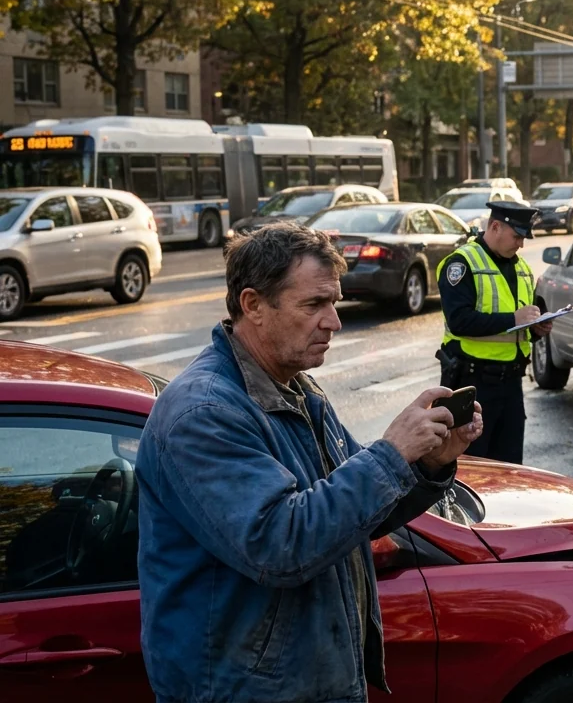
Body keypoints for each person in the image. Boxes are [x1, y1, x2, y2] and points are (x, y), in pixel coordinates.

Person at [137, 223, 485, 702]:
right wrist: (391, 454)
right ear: (253, 305)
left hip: (306, 684)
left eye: (333, 303)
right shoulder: (204, 414)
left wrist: (428, 465)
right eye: (313, 305)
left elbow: (354, 516)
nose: (333, 321)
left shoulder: (295, 386)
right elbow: (281, 543)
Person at [436, 201, 549, 465]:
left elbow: (522, 324)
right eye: (517, 236)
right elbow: (459, 322)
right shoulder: (462, 263)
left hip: (511, 385)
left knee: (509, 470)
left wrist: (538, 328)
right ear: (495, 226)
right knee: (469, 470)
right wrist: (513, 319)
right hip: (473, 384)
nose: (521, 244)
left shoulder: (521, 267)